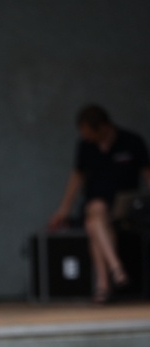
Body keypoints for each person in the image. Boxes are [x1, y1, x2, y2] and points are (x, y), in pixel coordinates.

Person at [48, 104, 150, 304]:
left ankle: (103, 285)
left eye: (90, 133)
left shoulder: (132, 141)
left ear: (103, 127)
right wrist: (63, 209)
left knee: (93, 222)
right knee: (95, 214)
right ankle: (115, 270)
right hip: (96, 206)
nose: (87, 138)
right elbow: (76, 178)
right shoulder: (85, 146)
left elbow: (147, 173)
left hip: (125, 207)